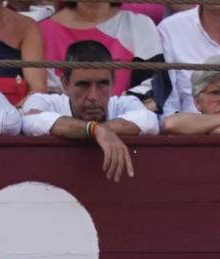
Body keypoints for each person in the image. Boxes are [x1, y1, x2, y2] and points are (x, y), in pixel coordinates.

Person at [20, 39, 156, 177]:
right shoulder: (46, 102)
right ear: (65, 84)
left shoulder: (124, 104)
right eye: (83, 84)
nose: (93, 96)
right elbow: (30, 120)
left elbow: (149, 120)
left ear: (113, 82)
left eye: (102, 84)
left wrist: (100, 129)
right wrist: (94, 129)